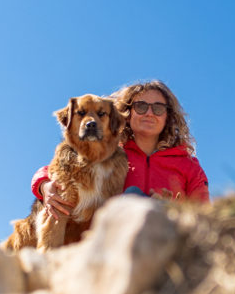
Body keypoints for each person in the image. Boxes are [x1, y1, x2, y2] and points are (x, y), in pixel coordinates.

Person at [32, 80, 209, 219]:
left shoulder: (188, 165)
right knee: (131, 196)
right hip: (116, 235)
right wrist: (44, 185)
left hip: (166, 234)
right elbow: (61, 168)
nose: (149, 113)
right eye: (141, 106)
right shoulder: (109, 154)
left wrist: (174, 209)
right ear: (128, 112)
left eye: (158, 108)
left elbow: (203, 213)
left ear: (167, 116)